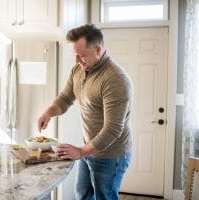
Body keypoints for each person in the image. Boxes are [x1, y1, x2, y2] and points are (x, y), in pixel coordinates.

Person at [37, 24, 133, 200]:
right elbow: (65, 98)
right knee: (82, 195)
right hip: (88, 148)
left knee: (105, 197)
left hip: (111, 156)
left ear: (98, 49)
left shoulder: (115, 80)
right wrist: (48, 113)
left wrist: (80, 152)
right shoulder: (79, 69)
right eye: (75, 56)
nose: (77, 62)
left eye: (82, 56)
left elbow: (112, 129)